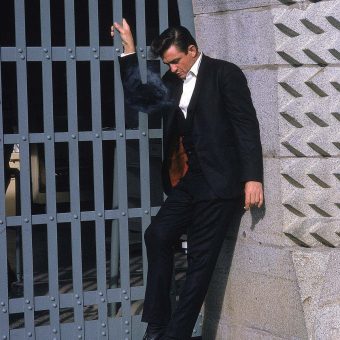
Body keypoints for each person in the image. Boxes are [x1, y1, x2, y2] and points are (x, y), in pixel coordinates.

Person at [111, 19, 264, 340]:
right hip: (193, 180)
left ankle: (173, 335)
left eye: (176, 61)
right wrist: (128, 50)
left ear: (192, 50)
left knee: (199, 264)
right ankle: (157, 321)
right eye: (168, 63)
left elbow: (246, 125)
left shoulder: (225, 74)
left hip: (222, 185)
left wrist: (252, 178)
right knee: (157, 234)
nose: (174, 68)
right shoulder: (173, 79)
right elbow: (143, 99)